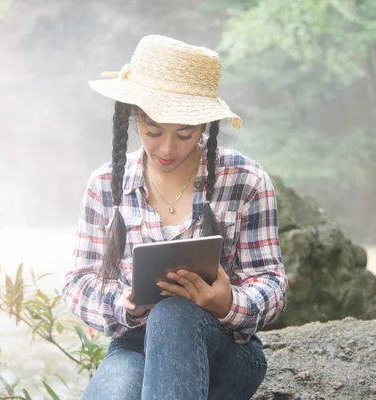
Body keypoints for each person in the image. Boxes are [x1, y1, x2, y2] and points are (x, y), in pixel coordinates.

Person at [62, 34, 288, 400]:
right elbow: (77, 282)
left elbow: (272, 282)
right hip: (135, 344)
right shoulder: (105, 184)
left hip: (226, 350)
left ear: (204, 126)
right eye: (153, 132)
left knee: (173, 314)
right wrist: (125, 303)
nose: (167, 149)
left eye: (184, 134)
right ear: (135, 118)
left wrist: (228, 303)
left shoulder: (246, 180)